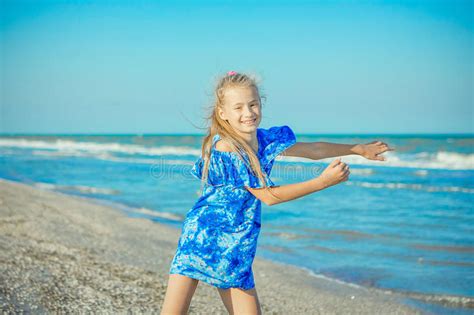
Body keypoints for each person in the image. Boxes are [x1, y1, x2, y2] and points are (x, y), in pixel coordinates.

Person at [160, 70, 394, 314]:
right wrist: (322, 182)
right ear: (223, 113)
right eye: (238, 107)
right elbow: (268, 196)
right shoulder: (228, 147)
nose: (248, 113)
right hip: (201, 237)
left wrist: (358, 149)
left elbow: (313, 149)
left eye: (253, 104)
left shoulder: (265, 139)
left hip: (238, 242)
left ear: (261, 103)